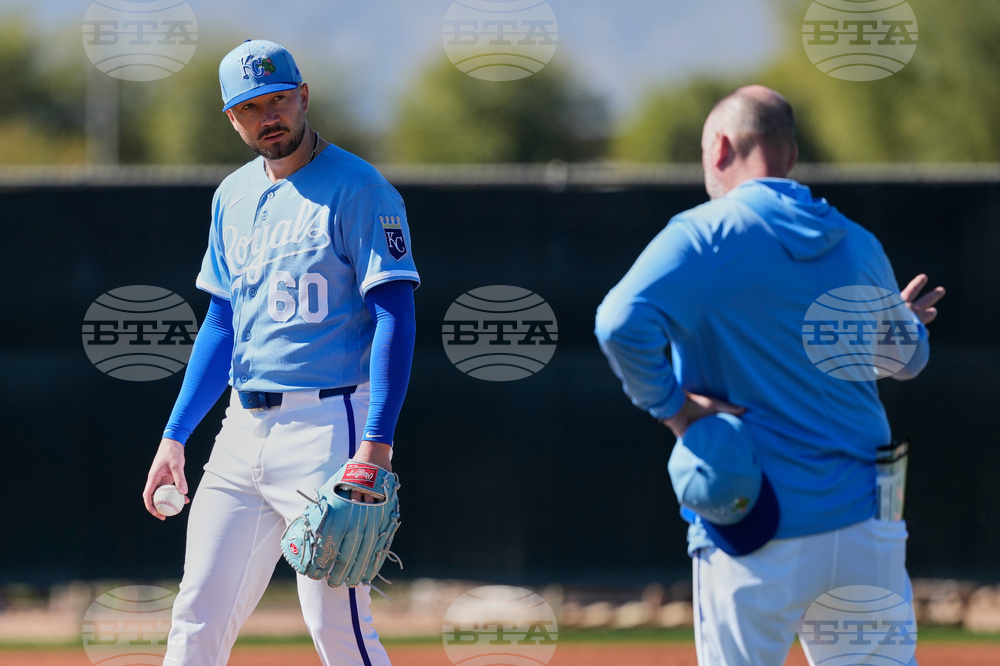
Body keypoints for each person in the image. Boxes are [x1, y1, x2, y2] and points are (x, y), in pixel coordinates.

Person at [594, 85, 945, 665]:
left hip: (755, 521)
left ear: (723, 147)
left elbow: (617, 322)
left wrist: (675, 409)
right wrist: (895, 322)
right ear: (791, 153)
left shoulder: (704, 235)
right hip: (865, 526)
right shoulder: (858, 243)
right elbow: (907, 362)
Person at [141, 40, 419, 666]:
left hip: (329, 425)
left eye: (278, 99)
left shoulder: (359, 187)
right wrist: (175, 435)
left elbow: (395, 315)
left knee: (338, 627)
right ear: (231, 119)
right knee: (196, 614)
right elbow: (221, 322)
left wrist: (376, 444)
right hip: (241, 428)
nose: (269, 116)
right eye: (250, 108)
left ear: (304, 96)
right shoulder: (231, 197)